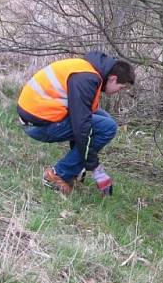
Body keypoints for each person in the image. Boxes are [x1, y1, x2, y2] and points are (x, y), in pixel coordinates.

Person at [17, 52, 135, 197]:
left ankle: (75, 169)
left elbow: (81, 116)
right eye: (121, 88)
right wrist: (97, 170)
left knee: (103, 118)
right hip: (38, 124)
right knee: (108, 127)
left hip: (39, 115)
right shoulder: (86, 79)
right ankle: (57, 175)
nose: (119, 92)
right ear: (113, 78)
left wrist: (81, 164)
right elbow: (81, 126)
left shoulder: (89, 70)